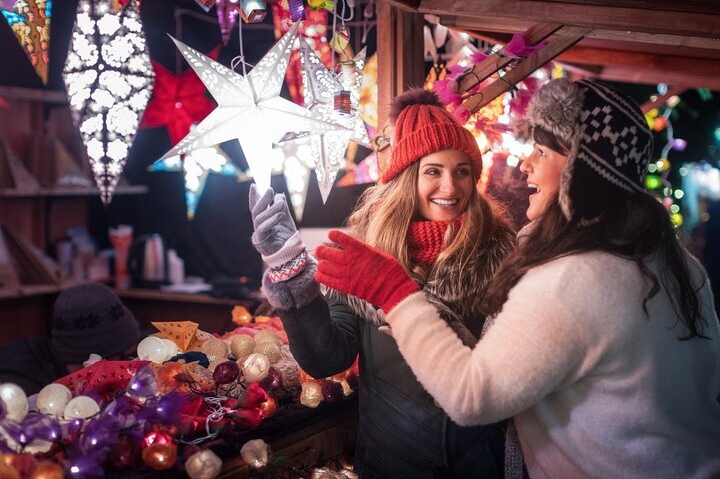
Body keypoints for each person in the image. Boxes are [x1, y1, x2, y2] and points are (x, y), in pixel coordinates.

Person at [315, 79, 720, 478]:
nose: (525, 163)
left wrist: (394, 292)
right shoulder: (680, 265)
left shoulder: (570, 277)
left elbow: (471, 396)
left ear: (582, 170)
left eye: (541, 151)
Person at [249, 89, 515, 478]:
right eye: (433, 171)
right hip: (392, 462)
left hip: (479, 463)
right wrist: (291, 274)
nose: (451, 187)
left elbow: (512, 370)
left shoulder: (501, 252)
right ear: (407, 177)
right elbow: (326, 358)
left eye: (462, 171)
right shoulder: (367, 250)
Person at [0, 283, 141, 395]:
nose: (130, 367)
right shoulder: (24, 390)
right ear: (96, 358)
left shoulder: (60, 360)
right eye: (127, 357)